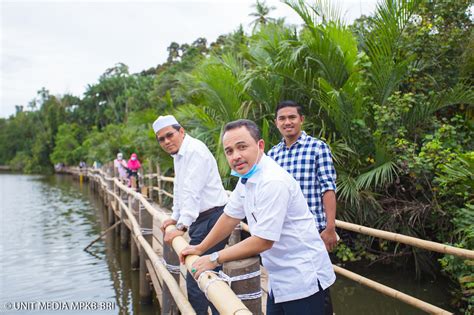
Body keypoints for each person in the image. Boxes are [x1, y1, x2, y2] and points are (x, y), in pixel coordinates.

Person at [181, 119, 335, 315]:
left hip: (304, 278)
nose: (236, 156)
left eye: (242, 147)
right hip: (278, 280)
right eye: (229, 151)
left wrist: (214, 258)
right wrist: (200, 248)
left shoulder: (272, 181)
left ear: (260, 145)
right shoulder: (247, 178)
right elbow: (229, 217)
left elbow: (263, 241)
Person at [152, 115, 228, 315]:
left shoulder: (194, 151)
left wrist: (180, 228)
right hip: (202, 219)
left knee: (198, 277)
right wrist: (175, 217)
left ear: (182, 131)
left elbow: (193, 192)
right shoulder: (179, 154)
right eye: (162, 139)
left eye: (170, 135)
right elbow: (181, 189)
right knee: (207, 275)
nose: (167, 141)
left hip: (213, 218)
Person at [268, 100, 338, 314]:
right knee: (287, 291)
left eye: (292, 117)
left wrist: (330, 228)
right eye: (282, 118)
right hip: (283, 235)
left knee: (319, 289)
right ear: (276, 122)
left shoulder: (317, 148)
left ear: (301, 120)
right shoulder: (272, 155)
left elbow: (328, 189)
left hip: (314, 232)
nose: (287, 122)